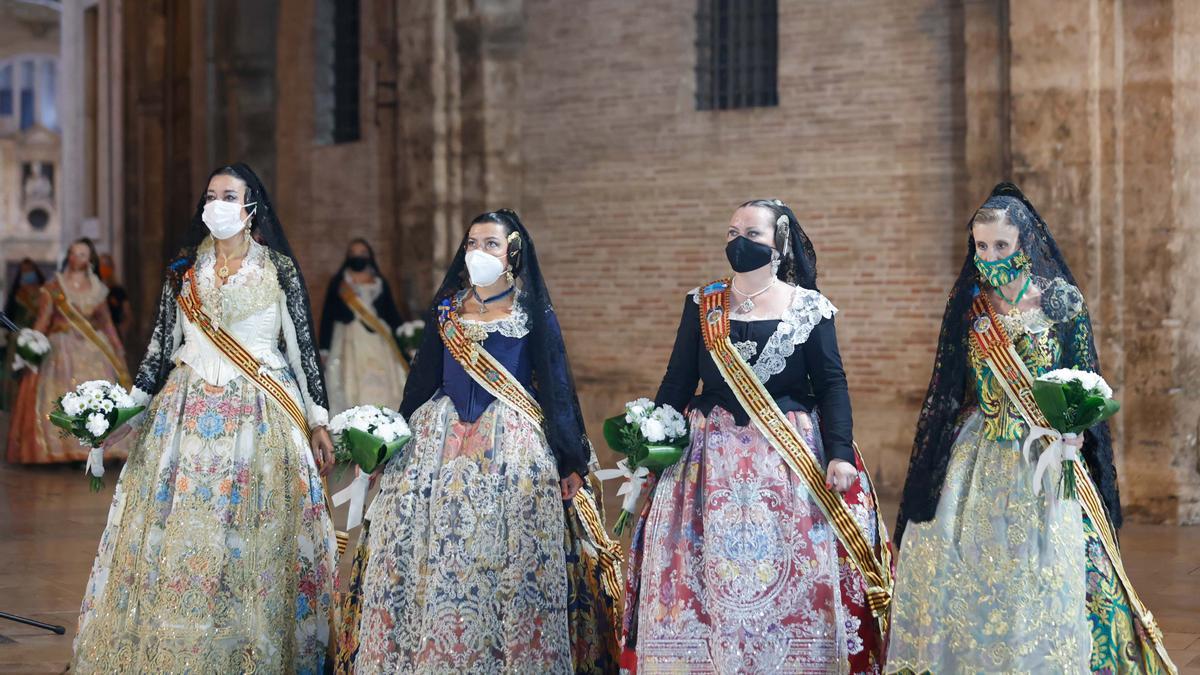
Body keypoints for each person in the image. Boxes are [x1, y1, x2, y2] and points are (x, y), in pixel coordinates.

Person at [886, 183, 1175, 673]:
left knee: (1049, 567)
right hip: (978, 455)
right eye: (981, 245)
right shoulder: (969, 305)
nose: (990, 254)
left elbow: (1086, 376)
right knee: (964, 568)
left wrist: (1075, 426)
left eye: (1001, 244)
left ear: (1025, 241)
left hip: (1044, 455)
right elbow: (949, 387)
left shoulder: (1059, 301)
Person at [70, 163, 338, 674]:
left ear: (250, 206)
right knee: (176, 535)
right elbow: (157, 351)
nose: (218, 204)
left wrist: (318, 419)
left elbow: (303, 349)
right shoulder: (182, 271)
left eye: (229, 195)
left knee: (251, 535)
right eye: (211, 195)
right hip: (184, 415)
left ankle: (251, 646)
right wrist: (126, 412)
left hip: (261, 413)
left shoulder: (277, 268)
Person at [338, 209, 621, 674]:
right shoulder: (448, 309)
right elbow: (422, 380)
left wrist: (570, 458)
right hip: (436, 446)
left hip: (510, 445)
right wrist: (388, 444)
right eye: (471, 243)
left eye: (490, 244)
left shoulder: (532, 313)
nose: (478, 252)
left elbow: (556, 387)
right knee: (434, 556)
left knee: (501, 561)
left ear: (512, 251)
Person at [622, 200, 891, 673]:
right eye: (731, 232)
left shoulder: (809, 308)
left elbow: (832, 384)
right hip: (707, 463)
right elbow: (679, 382)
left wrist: (842, 453)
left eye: (751, 233)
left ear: (778, 241)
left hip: (788, 460)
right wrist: (651, 443)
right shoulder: (702, 302)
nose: (738, 242)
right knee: (701, 573)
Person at [6, 239, 130, 464]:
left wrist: (117, 348)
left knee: (97, 396)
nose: (77, 258)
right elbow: (44, 319)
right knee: (63, 395)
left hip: (93, 348)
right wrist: (32, 342)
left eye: (82, 254)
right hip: (61, 348)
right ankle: (63, 448)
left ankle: (96, 447)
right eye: (73, 254)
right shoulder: (55, 287)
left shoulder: (98, 290)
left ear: (89, 260)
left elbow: (106, 323)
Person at [319, 238, 409, 414]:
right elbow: (327, 316)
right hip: (348, 340)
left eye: (362, 253)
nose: (358, 257)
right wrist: (324, 348)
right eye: (353, 254)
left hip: (379, 341)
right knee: (350, 383)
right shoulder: (340, 284)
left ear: (370, 256)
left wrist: (407, 338)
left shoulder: (379, 281)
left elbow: (391, 313)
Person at [1, 258, 45, 410]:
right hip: (17, 341)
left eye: (30, 271)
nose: (28, 275)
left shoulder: (44, 293)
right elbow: (9, 317)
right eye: (24, 272)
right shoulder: (17, 295)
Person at [98, 253, 133, 345]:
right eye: (101, 265)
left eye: (106, 265)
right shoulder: (94, 290)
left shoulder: (118, 291)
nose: (103, 268)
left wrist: (122, 330)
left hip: (114, 334)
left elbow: (128, 313)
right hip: (98, 333)